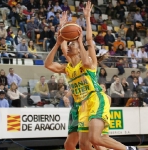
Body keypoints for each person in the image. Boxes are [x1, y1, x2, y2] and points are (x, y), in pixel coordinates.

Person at [44, 4, 137, 150]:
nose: (68, 46)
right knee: (86, 144)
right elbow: (49, 62)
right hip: (82, 105)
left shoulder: (88, 63)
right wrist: (60, 36)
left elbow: (88, 42)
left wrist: (86, 20)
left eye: (72, 44)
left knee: (96, 139)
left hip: (95, 99)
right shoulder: (68, 67)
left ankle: (129, 149)